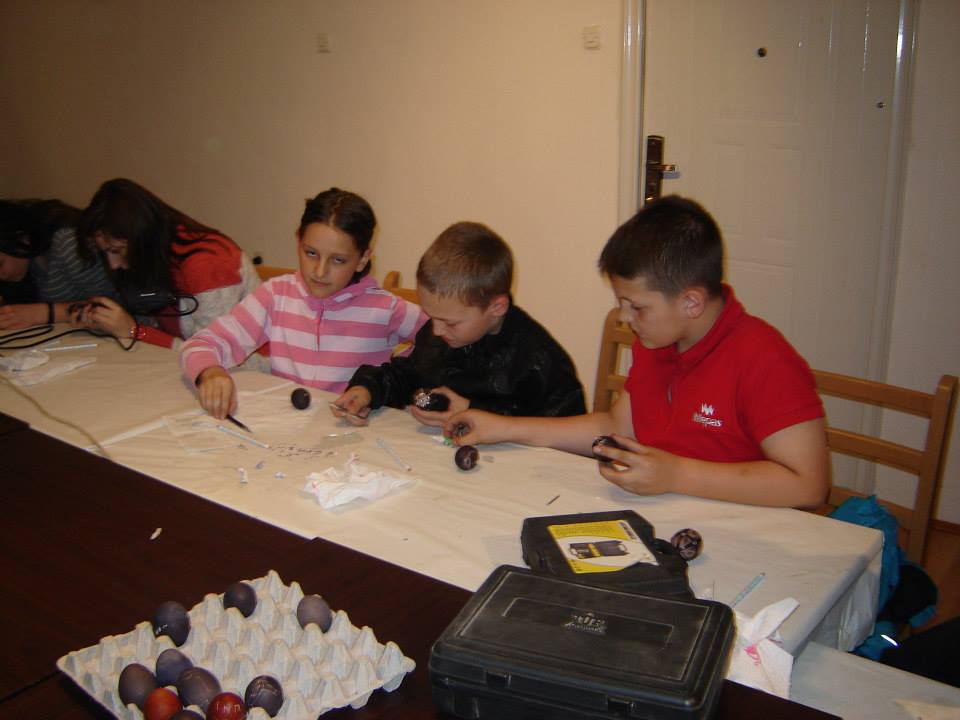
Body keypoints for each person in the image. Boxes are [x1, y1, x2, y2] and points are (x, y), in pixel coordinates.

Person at [443, 196, 829, 509]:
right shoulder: (658, 339)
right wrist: (505, 427)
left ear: (691, 302)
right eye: (622, 303)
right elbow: (616, 426)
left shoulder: (764, 359)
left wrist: (677, 475)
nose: (625, 317)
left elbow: (808, 486)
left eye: (637, 306)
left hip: (739, 523)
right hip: (666, 510)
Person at [180, 188, 427, 420]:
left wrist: (389, 381)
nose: (320, 271)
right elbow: (201, 343)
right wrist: (210, 371)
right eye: (311, 253)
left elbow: (442, 345)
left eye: (338, 260)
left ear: (362, 259)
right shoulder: (276, 296)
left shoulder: (385, 309)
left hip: (354, 436)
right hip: (290, 430)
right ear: (298, 241)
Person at [331, 221, 586, 426]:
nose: (436, 330)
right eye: (431, 317)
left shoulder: (539, 360)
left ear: (497, 307)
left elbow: (563, 432)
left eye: (450, 323)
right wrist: (368, 388)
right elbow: (407, 375)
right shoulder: (441, 333)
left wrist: (474, 411)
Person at [72, 178, 259, 349]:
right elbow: (158, 325)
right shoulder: (157, 253)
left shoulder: (206, 263)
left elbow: (212, 353)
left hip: (250, 367)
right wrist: (107, 322)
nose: (113, 265)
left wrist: (134, 331)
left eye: (116, 251)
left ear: (141, 238)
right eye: (105, 252)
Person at [0, 198, 115, 329]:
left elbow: (113, 308)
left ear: (22, 238)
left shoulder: (69, 244)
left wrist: (44, 313)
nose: (1, 275)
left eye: (0, 264)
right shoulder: (28, 264)